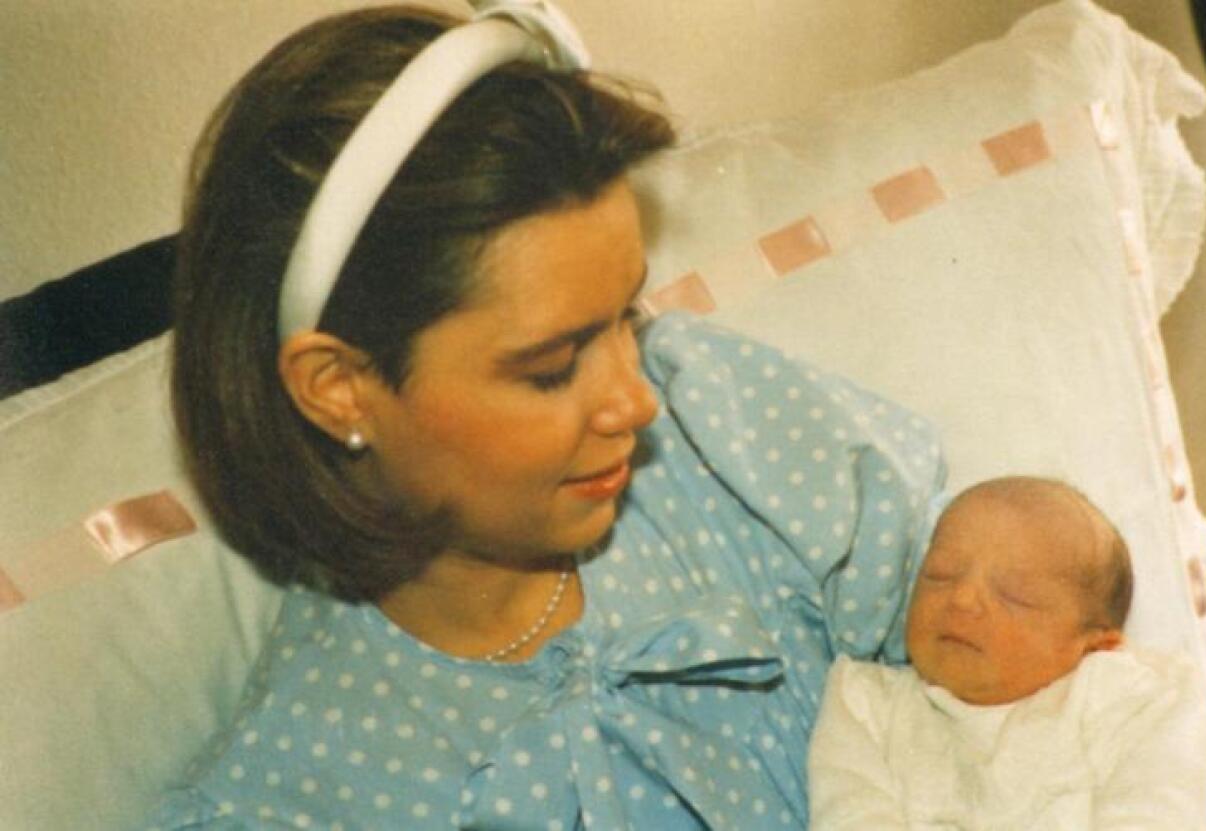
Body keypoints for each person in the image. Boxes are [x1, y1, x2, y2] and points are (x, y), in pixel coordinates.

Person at [146, 3, 946, 829]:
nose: (638, 401)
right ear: (339, 387)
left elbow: (1026, 664)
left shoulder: (724, 438)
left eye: (626, 317)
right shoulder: (291, 800)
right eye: (552, 368)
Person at [807, 476, 1206, 830]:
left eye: (1015, 596)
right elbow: (850, 813)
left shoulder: (1135, 698)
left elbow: (1161, 807)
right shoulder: (864, 703)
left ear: (1096, 646)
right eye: (940, 575)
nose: (963, 599)